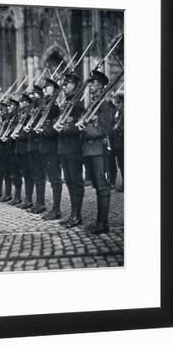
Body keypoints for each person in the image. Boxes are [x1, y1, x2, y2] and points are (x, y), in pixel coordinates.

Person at [79, 70, 112, 234]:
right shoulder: (93, 104)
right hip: (89, 150)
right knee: (97, 186)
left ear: (100, 85)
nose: (90, 85)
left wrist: (85, 130)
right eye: (90, 83)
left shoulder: (104, 104)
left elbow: (104, 129)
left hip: (99, 150)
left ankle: (103, 224)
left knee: (102, 186)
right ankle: (99, 221)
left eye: (93, 83)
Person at [55, 72, 85, 228]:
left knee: (76, 181)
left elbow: (80, 126)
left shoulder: (78, 104)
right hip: (63, 148)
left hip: (74, 148)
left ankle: (77, 215)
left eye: (67, 84)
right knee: (68, 181)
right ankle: (73, 214)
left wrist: (65, 128)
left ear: (74, 85)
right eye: (64, 84)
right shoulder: (65, 103)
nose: (64, 87)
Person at [38, 78, 63, 220]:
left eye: (47, 87)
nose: (45, 89)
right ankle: (54, 208)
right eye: (45, 87)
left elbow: (54, 128)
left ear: (53, 89)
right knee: (52, 179)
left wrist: (43, 131)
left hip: (53, 146)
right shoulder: (46, 105)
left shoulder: (54, 107)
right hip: (45, 146)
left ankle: (56, 209)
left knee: (55, 178)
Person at [25, 85, 47, 213]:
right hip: (31, 146)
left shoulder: (42, 109)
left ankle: (41, 202)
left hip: (38, 145)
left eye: (35, 95)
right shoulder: (32, 109)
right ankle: (37, 202)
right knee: (35, 174)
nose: (33, 97)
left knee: (39, 175)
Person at [111, 94, 124, 192]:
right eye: (116, 103)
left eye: (118, 103)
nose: (117, 105)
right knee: (120, 164)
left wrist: (118, 128)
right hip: (117, 144)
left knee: (124, 164)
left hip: (122, 144)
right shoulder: (118, 113)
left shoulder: (124, 114)